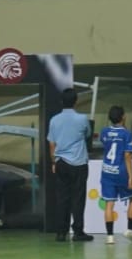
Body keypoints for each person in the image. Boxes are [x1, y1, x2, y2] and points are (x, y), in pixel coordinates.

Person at [47, 88, 94, 243]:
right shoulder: (82, 119)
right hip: (79, 163)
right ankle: (78, 232)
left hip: (61, 163)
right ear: (76, 101)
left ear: (62, 101)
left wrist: (54, 162)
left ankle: (61, 232)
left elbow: (52, 144)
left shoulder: (54, 120)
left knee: (62, 198)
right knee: (78, 198)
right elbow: (87, 134)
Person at [99, 105, 132, 244]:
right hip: (121, 171)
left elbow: (105, 145)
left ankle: (110, 236)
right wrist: (131, 177)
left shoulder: (104, 131)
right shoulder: (126, 134)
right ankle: (130, 230)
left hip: (107, 171)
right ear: (123, 117)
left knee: (109, 203)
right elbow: (127, 156)